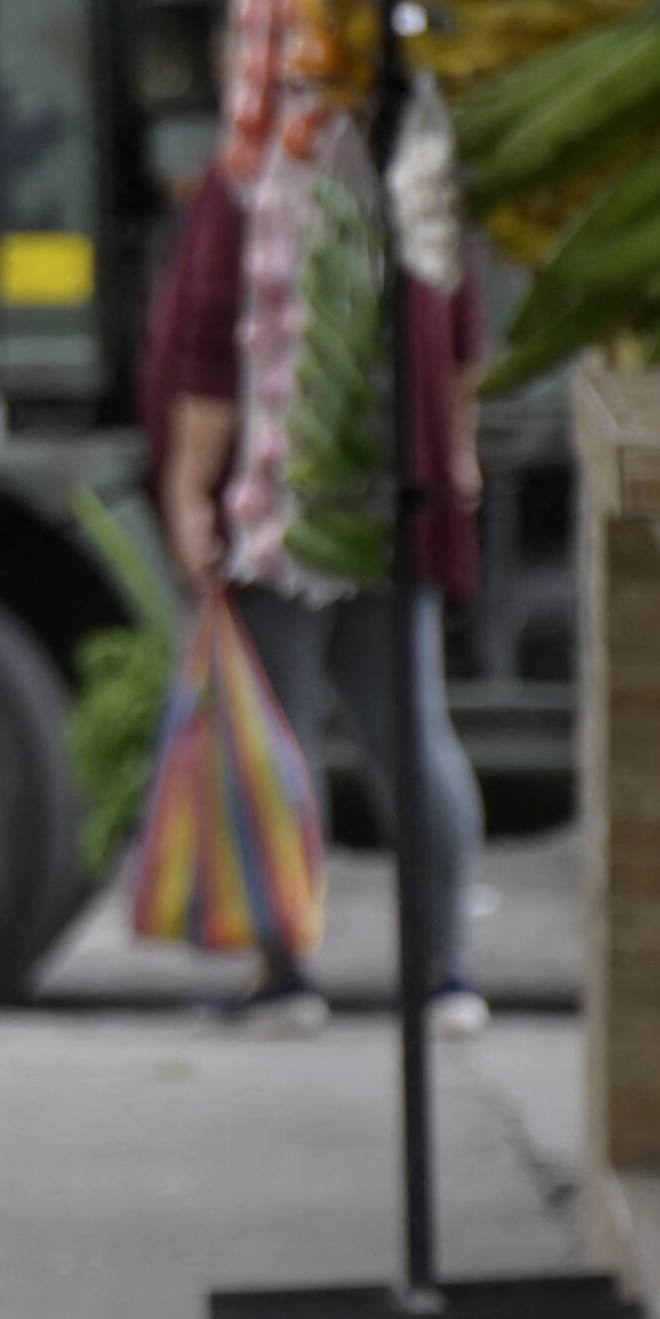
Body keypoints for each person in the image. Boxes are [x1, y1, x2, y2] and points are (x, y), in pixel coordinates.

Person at [146, 108, 493, 1039]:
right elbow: (463, 330)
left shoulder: (249, 174)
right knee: (413, 735)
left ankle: (287, 972)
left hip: (280, 506)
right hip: (394, 499)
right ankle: (445, 973)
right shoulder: (415, 170)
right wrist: (457, 454)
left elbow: (209, 339)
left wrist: (187, 486)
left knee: (276, 741)